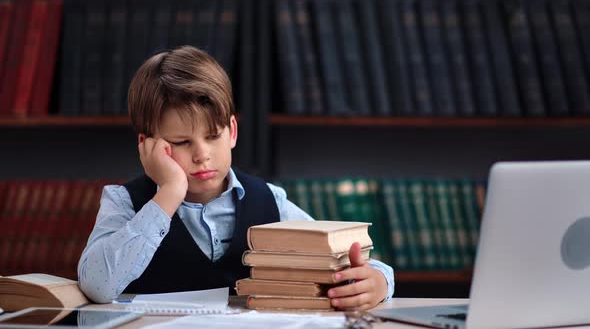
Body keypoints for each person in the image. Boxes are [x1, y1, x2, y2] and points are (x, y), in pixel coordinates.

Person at [78, 46, 394, 310]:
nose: (202, 155)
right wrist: (170, 192)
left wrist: (379, 282)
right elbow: (97, 286)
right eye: (181, 143)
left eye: (212, 136)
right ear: (147, 145)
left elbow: (340, 262)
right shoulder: (125, 203)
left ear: (232, 131)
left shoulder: (270, 201)